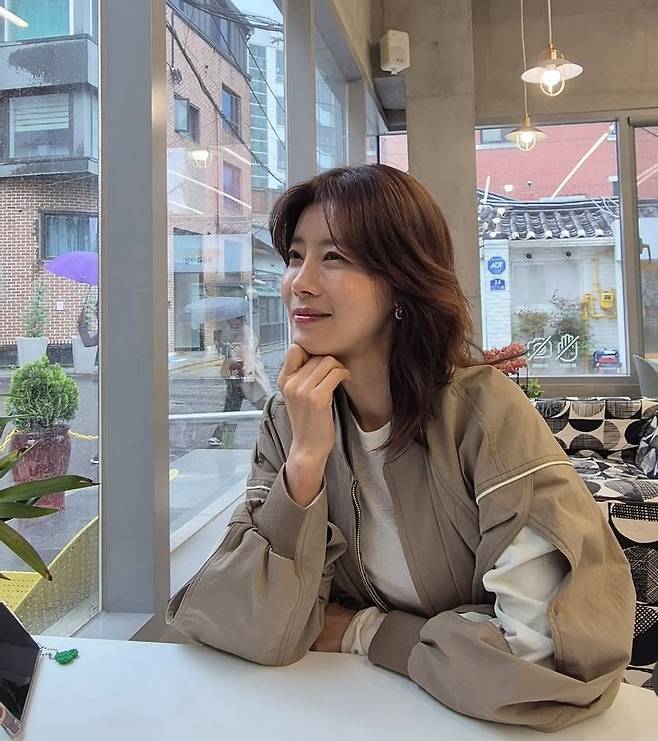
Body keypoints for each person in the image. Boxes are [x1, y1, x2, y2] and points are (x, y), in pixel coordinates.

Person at [165, 165, 635, 732]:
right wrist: (305, 465)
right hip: (339, 714)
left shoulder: (482, 412)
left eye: (334, 257)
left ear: (401, 280)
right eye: (295, 256)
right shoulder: (289, 418)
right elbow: (240, 623)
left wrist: (364, 630)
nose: (299, 283)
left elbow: (545, 664)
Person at [208, 316, 272, 448]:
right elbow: (226, 351)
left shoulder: (247, 334)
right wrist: (220, 343)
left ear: (240, 320)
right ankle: (221, 436)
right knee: (231, 408)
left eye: (232, 320)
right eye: (229, 320)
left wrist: (245, 371)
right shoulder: (232, 331)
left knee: (265, 406)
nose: (229, 322)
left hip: (248, 378)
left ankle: (277, 430)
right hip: (236, 379)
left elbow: (247, 358)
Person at [77, 303, 99, 465]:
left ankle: (105, 450)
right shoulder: (107, 327)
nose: (96, 313)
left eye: (98, 310)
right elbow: (88, 342)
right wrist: (81, 324)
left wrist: (81, 324)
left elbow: (88, 342)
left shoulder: (111, 327)